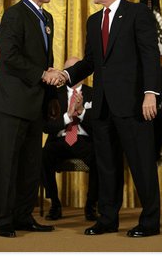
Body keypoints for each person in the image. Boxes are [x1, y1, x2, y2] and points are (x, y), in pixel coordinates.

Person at [56, 0, 161, 237]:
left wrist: (150, 93)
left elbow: (150, 56)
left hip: (134, 105)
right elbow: (91, 62)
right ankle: (107, 219)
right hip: (102, 107)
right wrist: (66, 74)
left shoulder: (138, 13)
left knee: (141, 164)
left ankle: (150, 222)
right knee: (106, 166)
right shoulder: (94, 21)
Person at [0, 0, 65, 238]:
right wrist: (43, 75)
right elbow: (9, 56)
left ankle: (23, 215)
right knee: (9, 163)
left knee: (31, 164)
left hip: (35, 104)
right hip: (11, 103)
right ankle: (4, 220)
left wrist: (53, 97)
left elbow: (48, 61)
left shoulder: (47, 19)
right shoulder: (14, 15)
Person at [42, 57, 98, 221]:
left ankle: (91, 205)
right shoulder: (53, 95)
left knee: (100, 156)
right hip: (59, 140)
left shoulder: (93, 93)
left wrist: (81, 113)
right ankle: (54, 204)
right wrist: (68, 116)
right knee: (43, 156)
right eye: (68, 70)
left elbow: (99, 128)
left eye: (75, 70)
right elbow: (46, 127)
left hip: (84, 141)